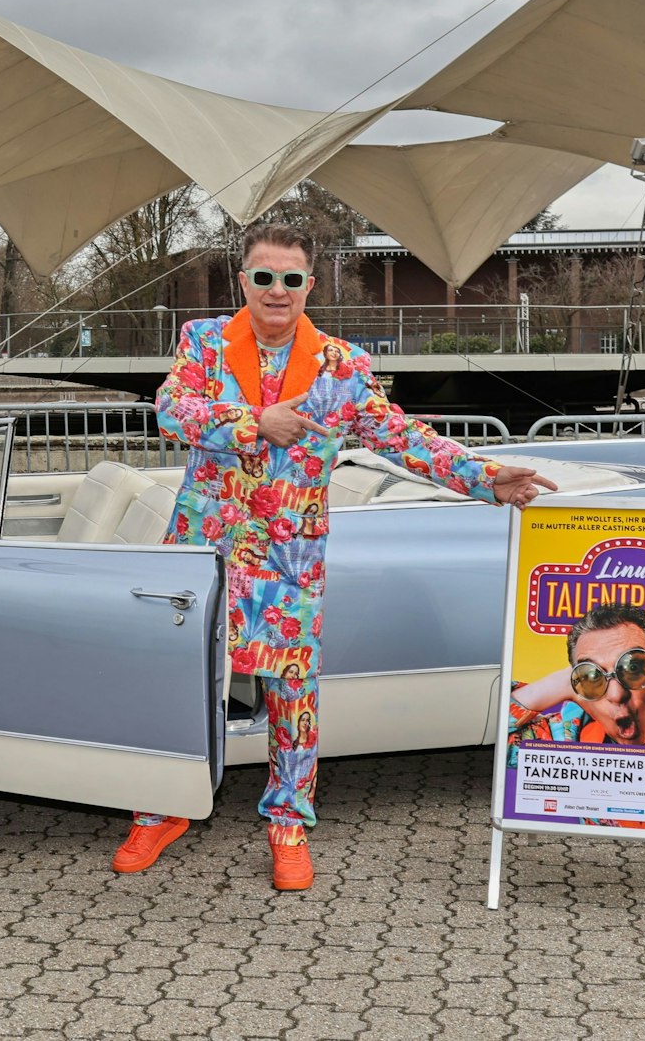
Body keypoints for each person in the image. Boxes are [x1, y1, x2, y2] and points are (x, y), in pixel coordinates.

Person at [112, 221, 557, 890]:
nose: (277, 290)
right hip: (207, 551)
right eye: (264, 276)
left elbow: (400, 436)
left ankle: (288, 824)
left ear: (309, 285)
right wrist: (253, 423)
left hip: (291, 559)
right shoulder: (204, 342)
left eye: (291, 278)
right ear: (244, 280)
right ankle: (161, 808)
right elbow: (172, 410)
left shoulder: (340, 366)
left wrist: (485, 476)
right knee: (183, 679)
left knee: (292, 692)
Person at [505, 600, 645, 832]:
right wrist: (567, 681)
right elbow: (500, 733)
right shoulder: (570, 732)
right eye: (592, 676)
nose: (616, 695)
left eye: (633, 668)